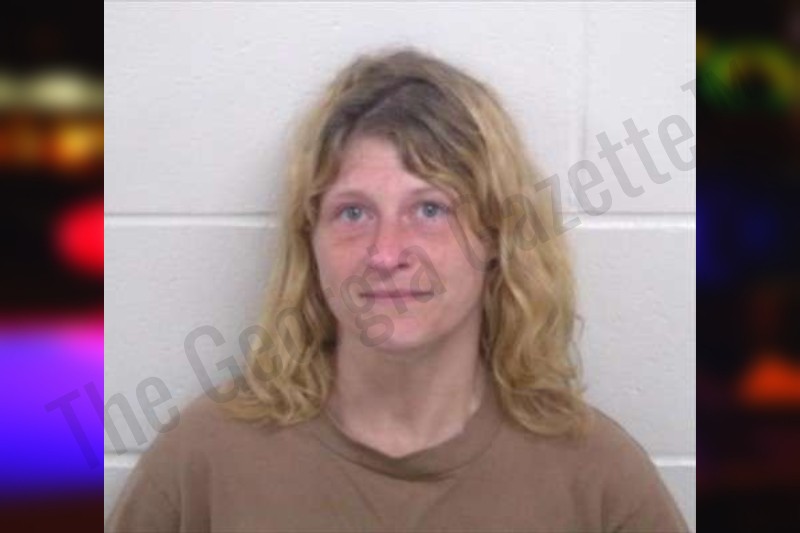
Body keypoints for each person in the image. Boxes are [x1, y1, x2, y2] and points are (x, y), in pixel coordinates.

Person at [106, 46, 689, 532]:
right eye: (353, 212)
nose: (386, 254)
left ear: (496, 237)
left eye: (431, 209)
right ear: (310, 241)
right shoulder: (205, 461)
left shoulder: (599, 481)